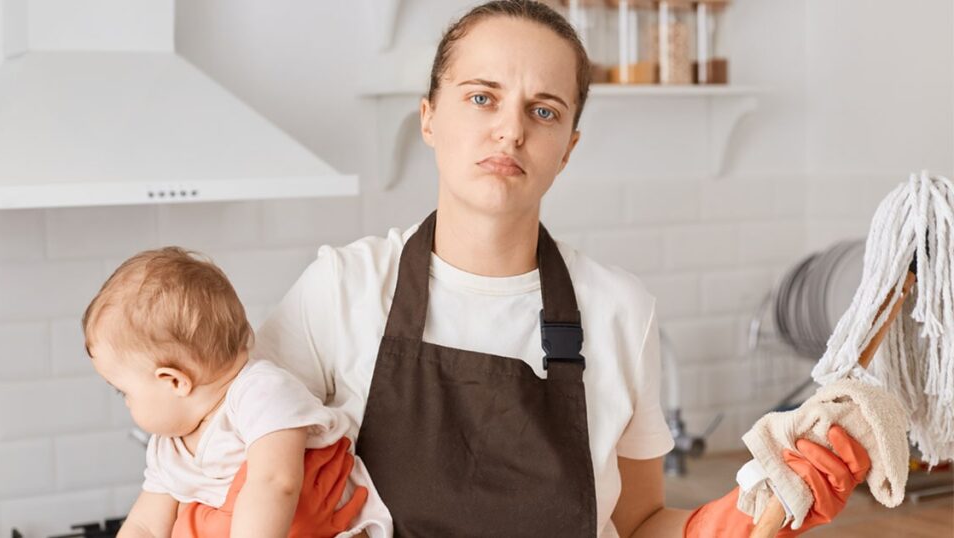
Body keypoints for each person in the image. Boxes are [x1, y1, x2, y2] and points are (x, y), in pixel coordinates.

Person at [252, 1, 874, 537]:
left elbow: (638, 523)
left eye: (543, 111)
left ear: (568, 147)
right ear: (429, 118)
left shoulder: (619, 310)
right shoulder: (341, 290)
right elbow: (208, 459)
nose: (510, 131)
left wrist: (742, 516)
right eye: (481, 98)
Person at [82, 247, 389, 537]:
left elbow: (274, 482)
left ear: (174, 381)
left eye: (123, 392)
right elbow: (145, 526)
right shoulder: (169, 449)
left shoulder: (260, 393)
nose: (126, 403)